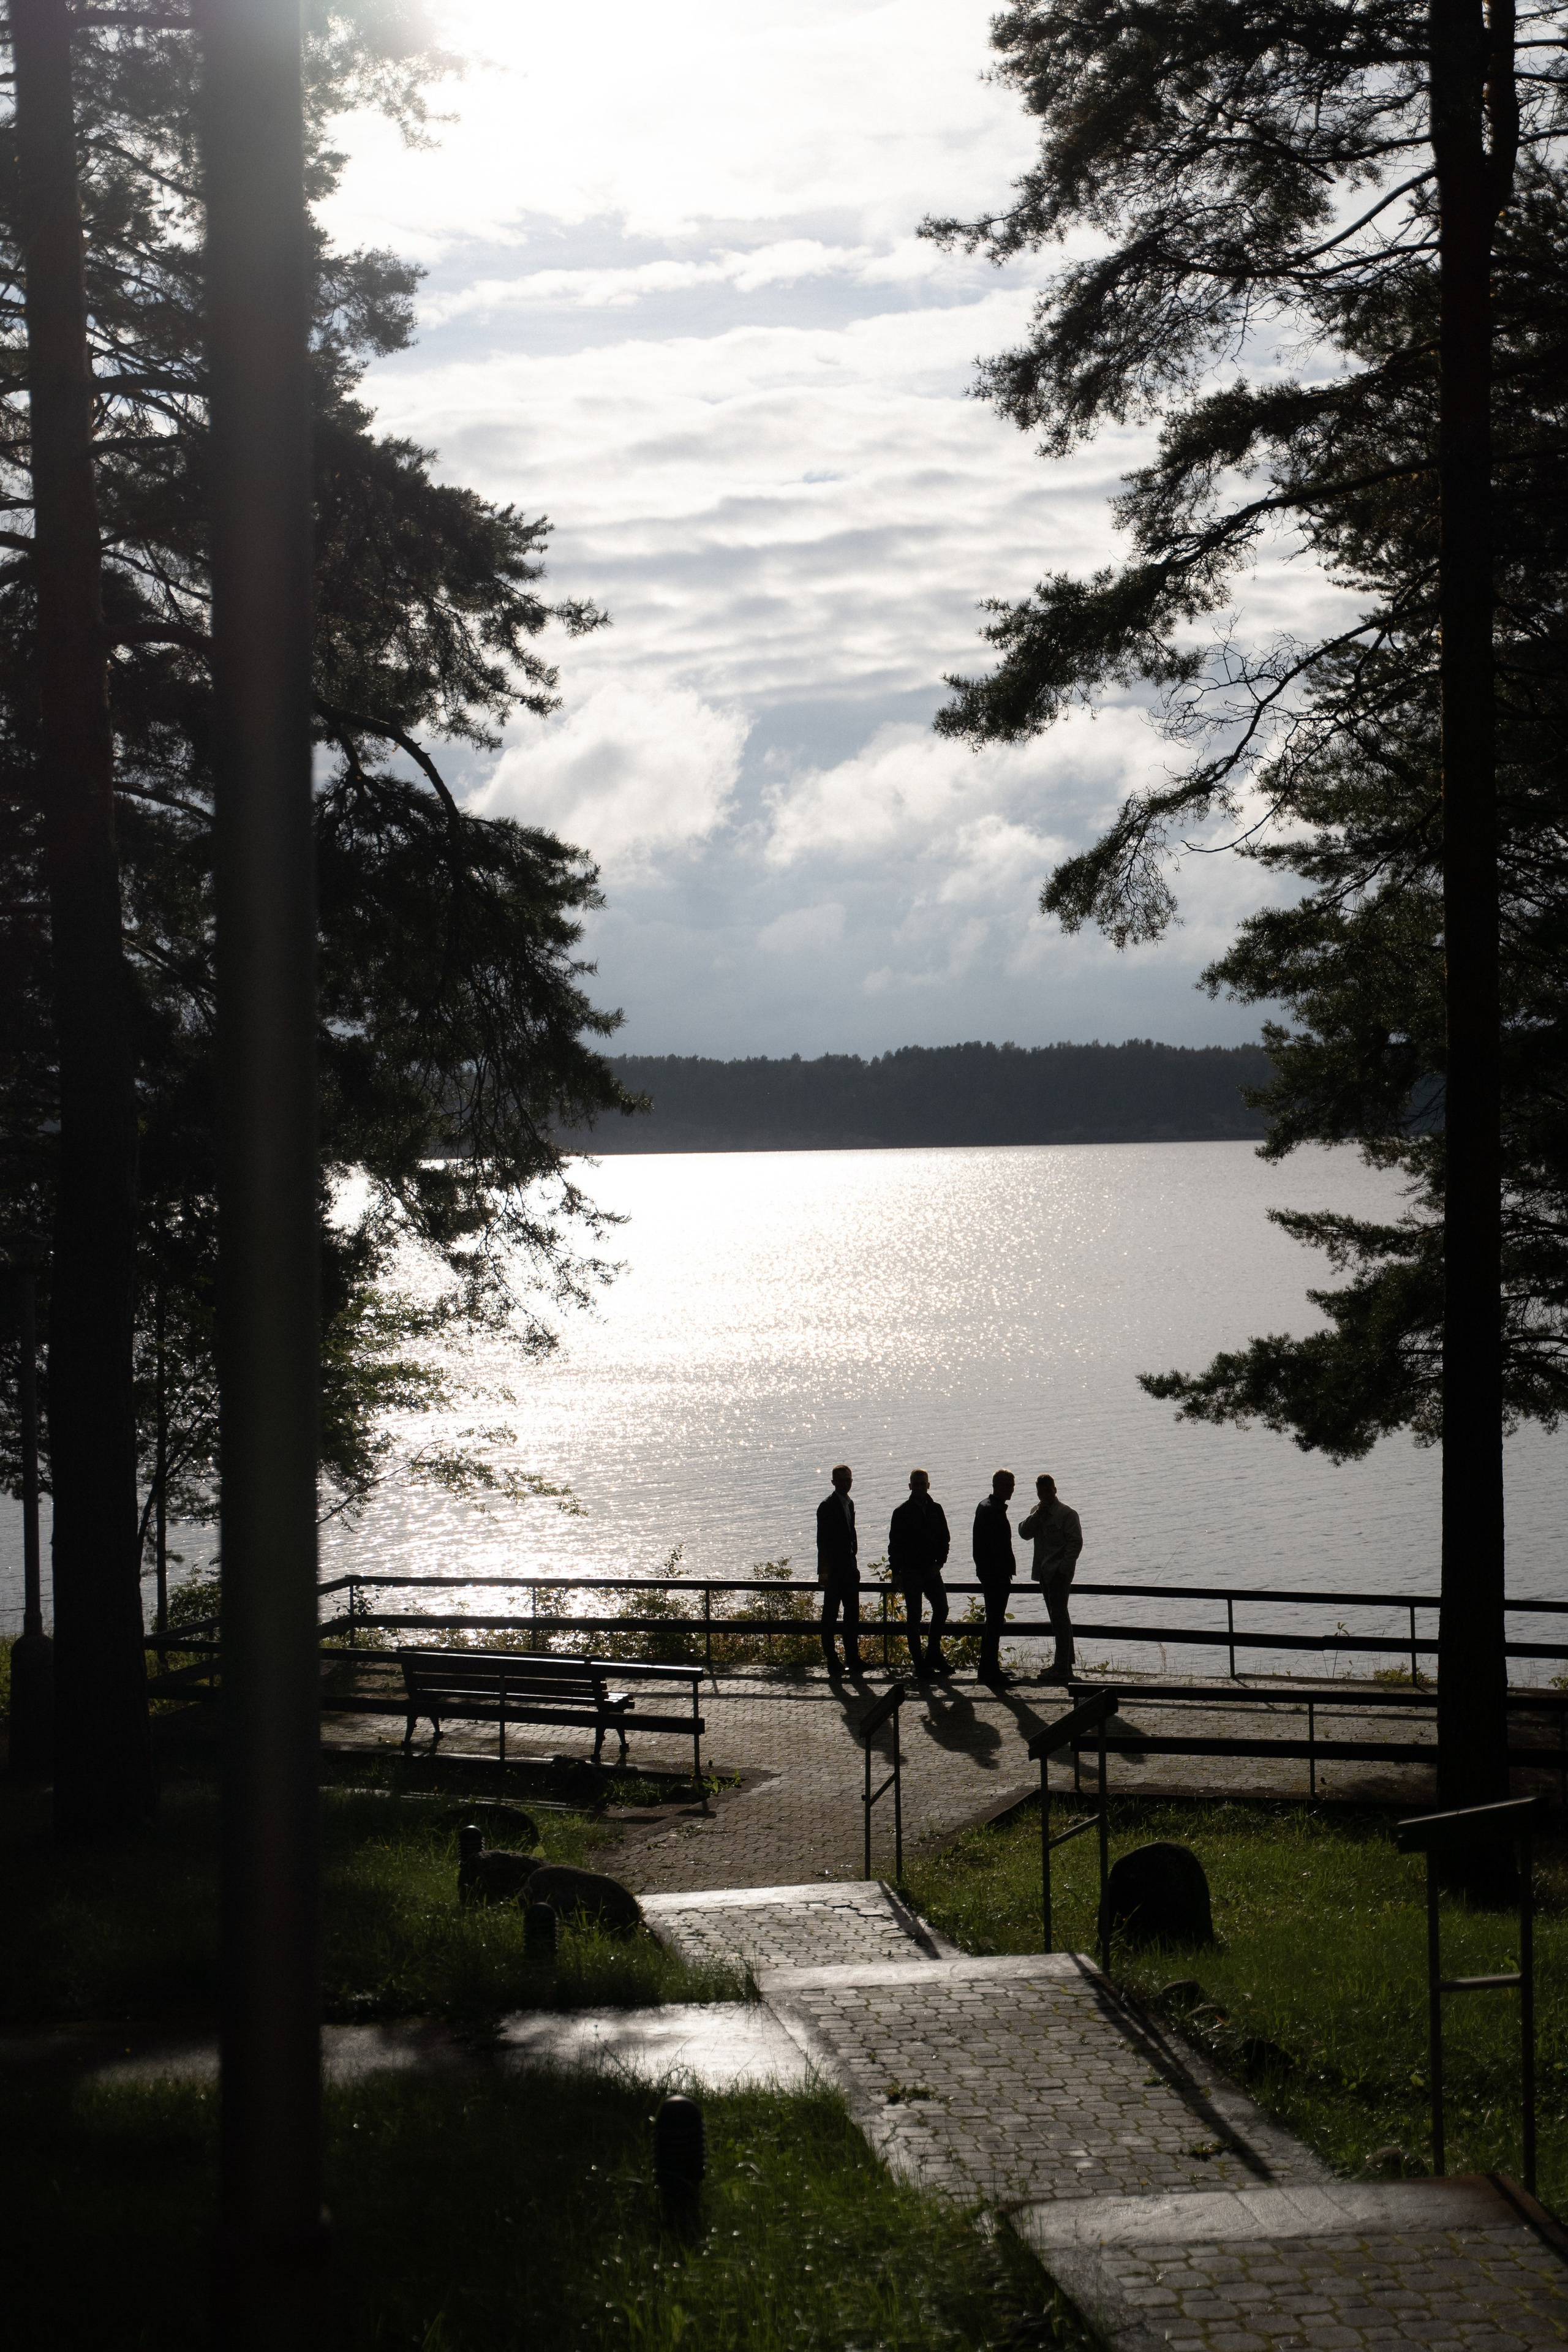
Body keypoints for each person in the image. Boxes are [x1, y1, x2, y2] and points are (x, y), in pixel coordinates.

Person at [1019, 1472, 1084, 1683]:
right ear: (1037, 1493)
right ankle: (1063, 1664)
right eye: (1041, 1492)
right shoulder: (1036, 1513)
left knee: (1060, 1618)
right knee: (1058, 1619)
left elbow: (1075, 1544)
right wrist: (1038, 1515)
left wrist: (1064, 1570)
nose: (1045, 1495)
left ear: (1055, 1490)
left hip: (1058, 1575)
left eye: (1048, 1491)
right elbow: (1024, 1533)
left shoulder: (1067, 1514)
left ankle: (1062, 1666)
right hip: (1044, 1575)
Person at [888, 1469, 951, 1677]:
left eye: (923, 1484)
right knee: (914, 1617)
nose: (920, 1487)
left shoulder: (936, 1509)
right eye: (916, 1484)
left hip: (932, 1569)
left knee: (942, 1608)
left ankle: (933, 1653)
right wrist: (896, 1572)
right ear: (910, 1486)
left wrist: (940, 1563)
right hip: (911, 1570)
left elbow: (945, 1539)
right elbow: (894, 1546)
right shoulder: (901, 1512)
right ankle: (919, 1663)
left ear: (928, 1485)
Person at [970, 1469, 1016, 1686]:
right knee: (995, 1622)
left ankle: (988, 1668)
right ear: (996, 1486)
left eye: (1012, 1485)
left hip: (991, 1573)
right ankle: (990, 1670)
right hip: (996, 1575)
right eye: (1008, 1485)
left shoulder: (986, 1507)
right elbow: (992, 1547)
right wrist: (998, 1571)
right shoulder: (993, 1511)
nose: (1011, 1489)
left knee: (993, 1622)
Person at [816, 1462, 862, 1674]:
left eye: (848, 1480)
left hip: (850, 1569)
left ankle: (853, 1659)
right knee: (831, 1617)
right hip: (835, 1571)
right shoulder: (827, 1506)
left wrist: (854, 1555)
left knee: (852, 1616)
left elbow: (850, 1532)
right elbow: (822, 1542)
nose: (845, 1483)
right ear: (833, 1482)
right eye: (841, 1480)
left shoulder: (849, 1504)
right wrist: (824, 1572)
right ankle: (832, 1660)